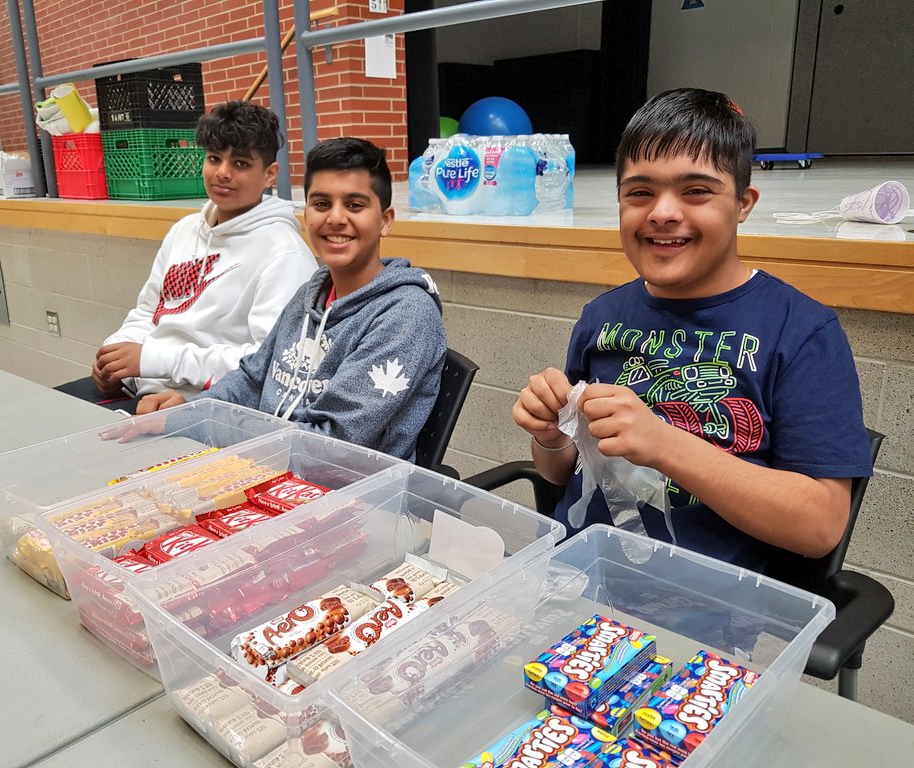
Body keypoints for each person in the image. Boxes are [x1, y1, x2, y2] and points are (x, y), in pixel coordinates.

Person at [513, 88, 872, 572]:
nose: (662, 212)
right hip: (573, 579)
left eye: (696, 191)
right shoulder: (600, 317)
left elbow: (820, 526)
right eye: (640, 192)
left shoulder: (801, 331)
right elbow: (563, 472)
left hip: (707, 617)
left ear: (744, 203)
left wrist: (664, 444)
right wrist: (551, 435)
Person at [137, 137, 446, 461]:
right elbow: (252, 379)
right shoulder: (312, 292)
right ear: (307, 213)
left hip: (349, 497)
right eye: (321, 204)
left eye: (354, 205)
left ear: (385, 220)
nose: (335, 218)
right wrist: (187, 414)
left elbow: (329, 444)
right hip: (266, 468)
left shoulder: (406, 315)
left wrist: (210, 425)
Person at [58, 100, 317, 410]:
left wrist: (166, 371)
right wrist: (114, 354)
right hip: (139, 384)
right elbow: (149, 310)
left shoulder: (284, 253)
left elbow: (271, 363)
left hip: (205, 402)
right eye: (214, 158)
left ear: (270, 174)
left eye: (241, 164)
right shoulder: (185, 230)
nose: (223, 173)